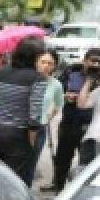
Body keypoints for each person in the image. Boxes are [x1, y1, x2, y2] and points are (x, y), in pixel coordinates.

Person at [0, 37, 47, 187]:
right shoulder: (37, 79)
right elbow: (35, 113)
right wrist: (31, 141)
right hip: (19, 136)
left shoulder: (0, 74)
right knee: (13, 182)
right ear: (35, 57)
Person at [42, 48, 100, 195]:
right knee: (63, 155)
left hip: (90, 123)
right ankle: (57, 184)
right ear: (85, 61)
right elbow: (57, 87)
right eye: (92, 61)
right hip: (70, 119)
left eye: (98, 61)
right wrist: (65, 95)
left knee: (86, 159)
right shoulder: (71, 72)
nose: (95, 64)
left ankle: (81, 192)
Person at [25, 49, 64, 184]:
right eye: (43, 62)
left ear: (54, 66)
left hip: (39, 128)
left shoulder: (56, 84)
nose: (46, 66)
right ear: (36, 62)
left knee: (31, 163)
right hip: (22, 126)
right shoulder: (26, 80)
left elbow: (58, 104)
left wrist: (47, 117)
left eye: (50, 63)